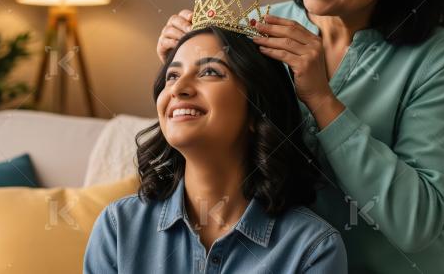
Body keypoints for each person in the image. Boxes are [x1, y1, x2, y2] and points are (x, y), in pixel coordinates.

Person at [157, 0, 444, 273]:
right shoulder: (255, 29)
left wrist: (322, 100)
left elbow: (418, 223)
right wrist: (180, 67)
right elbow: (209, 162)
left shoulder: (435, 58)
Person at [85, 19, 348, 273]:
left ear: (258, 110)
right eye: (172, 75)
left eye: (209, 72)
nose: (179, 88)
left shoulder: (311, 249)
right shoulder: (119, 227)